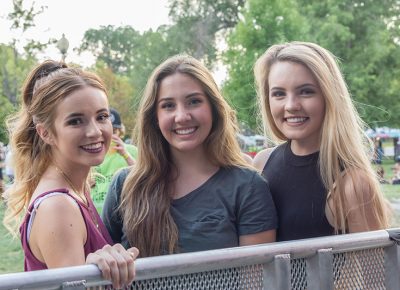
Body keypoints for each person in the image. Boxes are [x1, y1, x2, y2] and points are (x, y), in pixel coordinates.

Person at [102, 55, 277, 257]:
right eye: (168, 105)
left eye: (194, 102)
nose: (182, 116)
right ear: (154, 117)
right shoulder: (124, 185)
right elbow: (101, 269)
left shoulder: (247, 186)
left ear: (213, 108)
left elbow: (255, 282)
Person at [3, 60, 138, 289]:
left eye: (102, 116)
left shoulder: (77, 190)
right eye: (75, 121)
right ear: (46, 133)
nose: (95, 131)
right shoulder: (58, 206)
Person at [253, 41, 389, 242]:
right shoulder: (261, 163)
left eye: (306, 91)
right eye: (279, 94)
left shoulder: (352, 184)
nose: (291, 105)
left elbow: (375, 270)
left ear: (329, 97)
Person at [91, 107, 137, 212]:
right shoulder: (93, 152)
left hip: (124, 212)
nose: (112, 135)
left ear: (121, 131)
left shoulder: (132, 150)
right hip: (96, 213)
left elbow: (145, 177)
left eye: (115, 130)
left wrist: (125, 154)